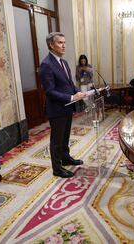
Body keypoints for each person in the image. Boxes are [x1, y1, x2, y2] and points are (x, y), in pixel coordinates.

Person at [39, 32, 86, 178]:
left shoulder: (63, 62)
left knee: (65, 136)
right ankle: (57, 168)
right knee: (56, 140)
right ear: (51, 45)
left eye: (64, 42)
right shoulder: (46, 64)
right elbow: (50, 91)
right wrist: (71, 96)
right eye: (60, 43)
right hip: (57, 108)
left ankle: (66, 158)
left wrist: (79, 93)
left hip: (67, 107)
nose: (64, 45)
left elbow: (70, 84)